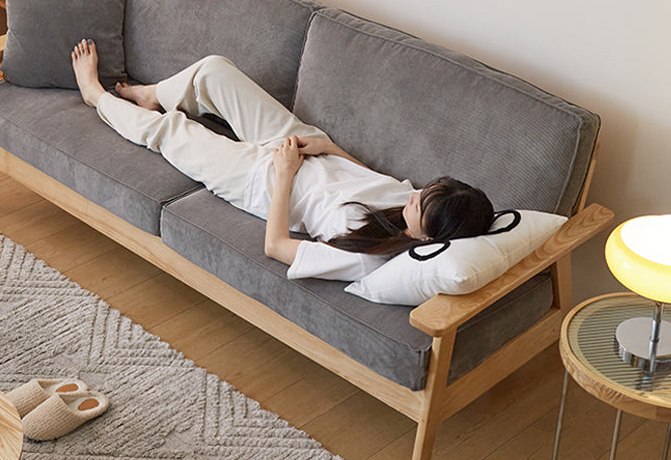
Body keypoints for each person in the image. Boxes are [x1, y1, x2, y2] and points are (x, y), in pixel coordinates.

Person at [71, 40, 494, 282]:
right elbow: (362, 176)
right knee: (214, 71)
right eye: (426, 191)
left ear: (429, 240)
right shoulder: (412, 203)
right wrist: (325, 149)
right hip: (304, 145)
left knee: (169, 133)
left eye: (422, 202)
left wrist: (284, 175)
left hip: (263, 180)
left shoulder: (368, 259)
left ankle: (97, 97)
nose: (415, 195)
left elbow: (276, 246)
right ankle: (154, 93)